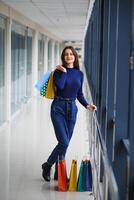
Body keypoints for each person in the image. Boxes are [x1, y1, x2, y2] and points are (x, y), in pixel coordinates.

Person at [42, 46, 97, 182]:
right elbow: (60, 87)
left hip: (72, 109)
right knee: (64, 141)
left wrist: (87, 105)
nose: (69, 56)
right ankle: (48, 165)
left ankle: (59, 173)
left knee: (65, 143)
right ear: (63, 57)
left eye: (71, 54)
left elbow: (79, 94)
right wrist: (65, 72)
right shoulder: (58, 72)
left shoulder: (80, 74)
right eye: (66, 54)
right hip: (58, 108)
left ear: (75, 56)